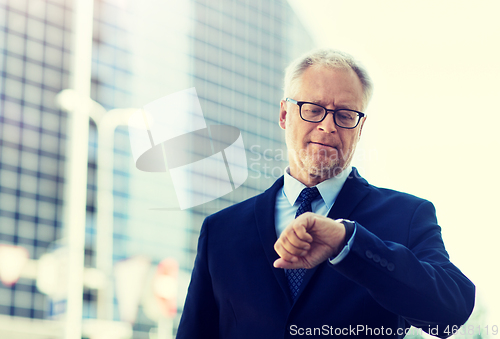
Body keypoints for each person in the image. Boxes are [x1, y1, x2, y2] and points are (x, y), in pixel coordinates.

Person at [176, 48, 475, 338]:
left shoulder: (407, 216)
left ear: (360, 129)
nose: (327, 126)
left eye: (345, 115)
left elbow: (451, 313)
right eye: (313, 110)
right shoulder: (220, 231)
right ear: (284, 115)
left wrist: (348, 242)